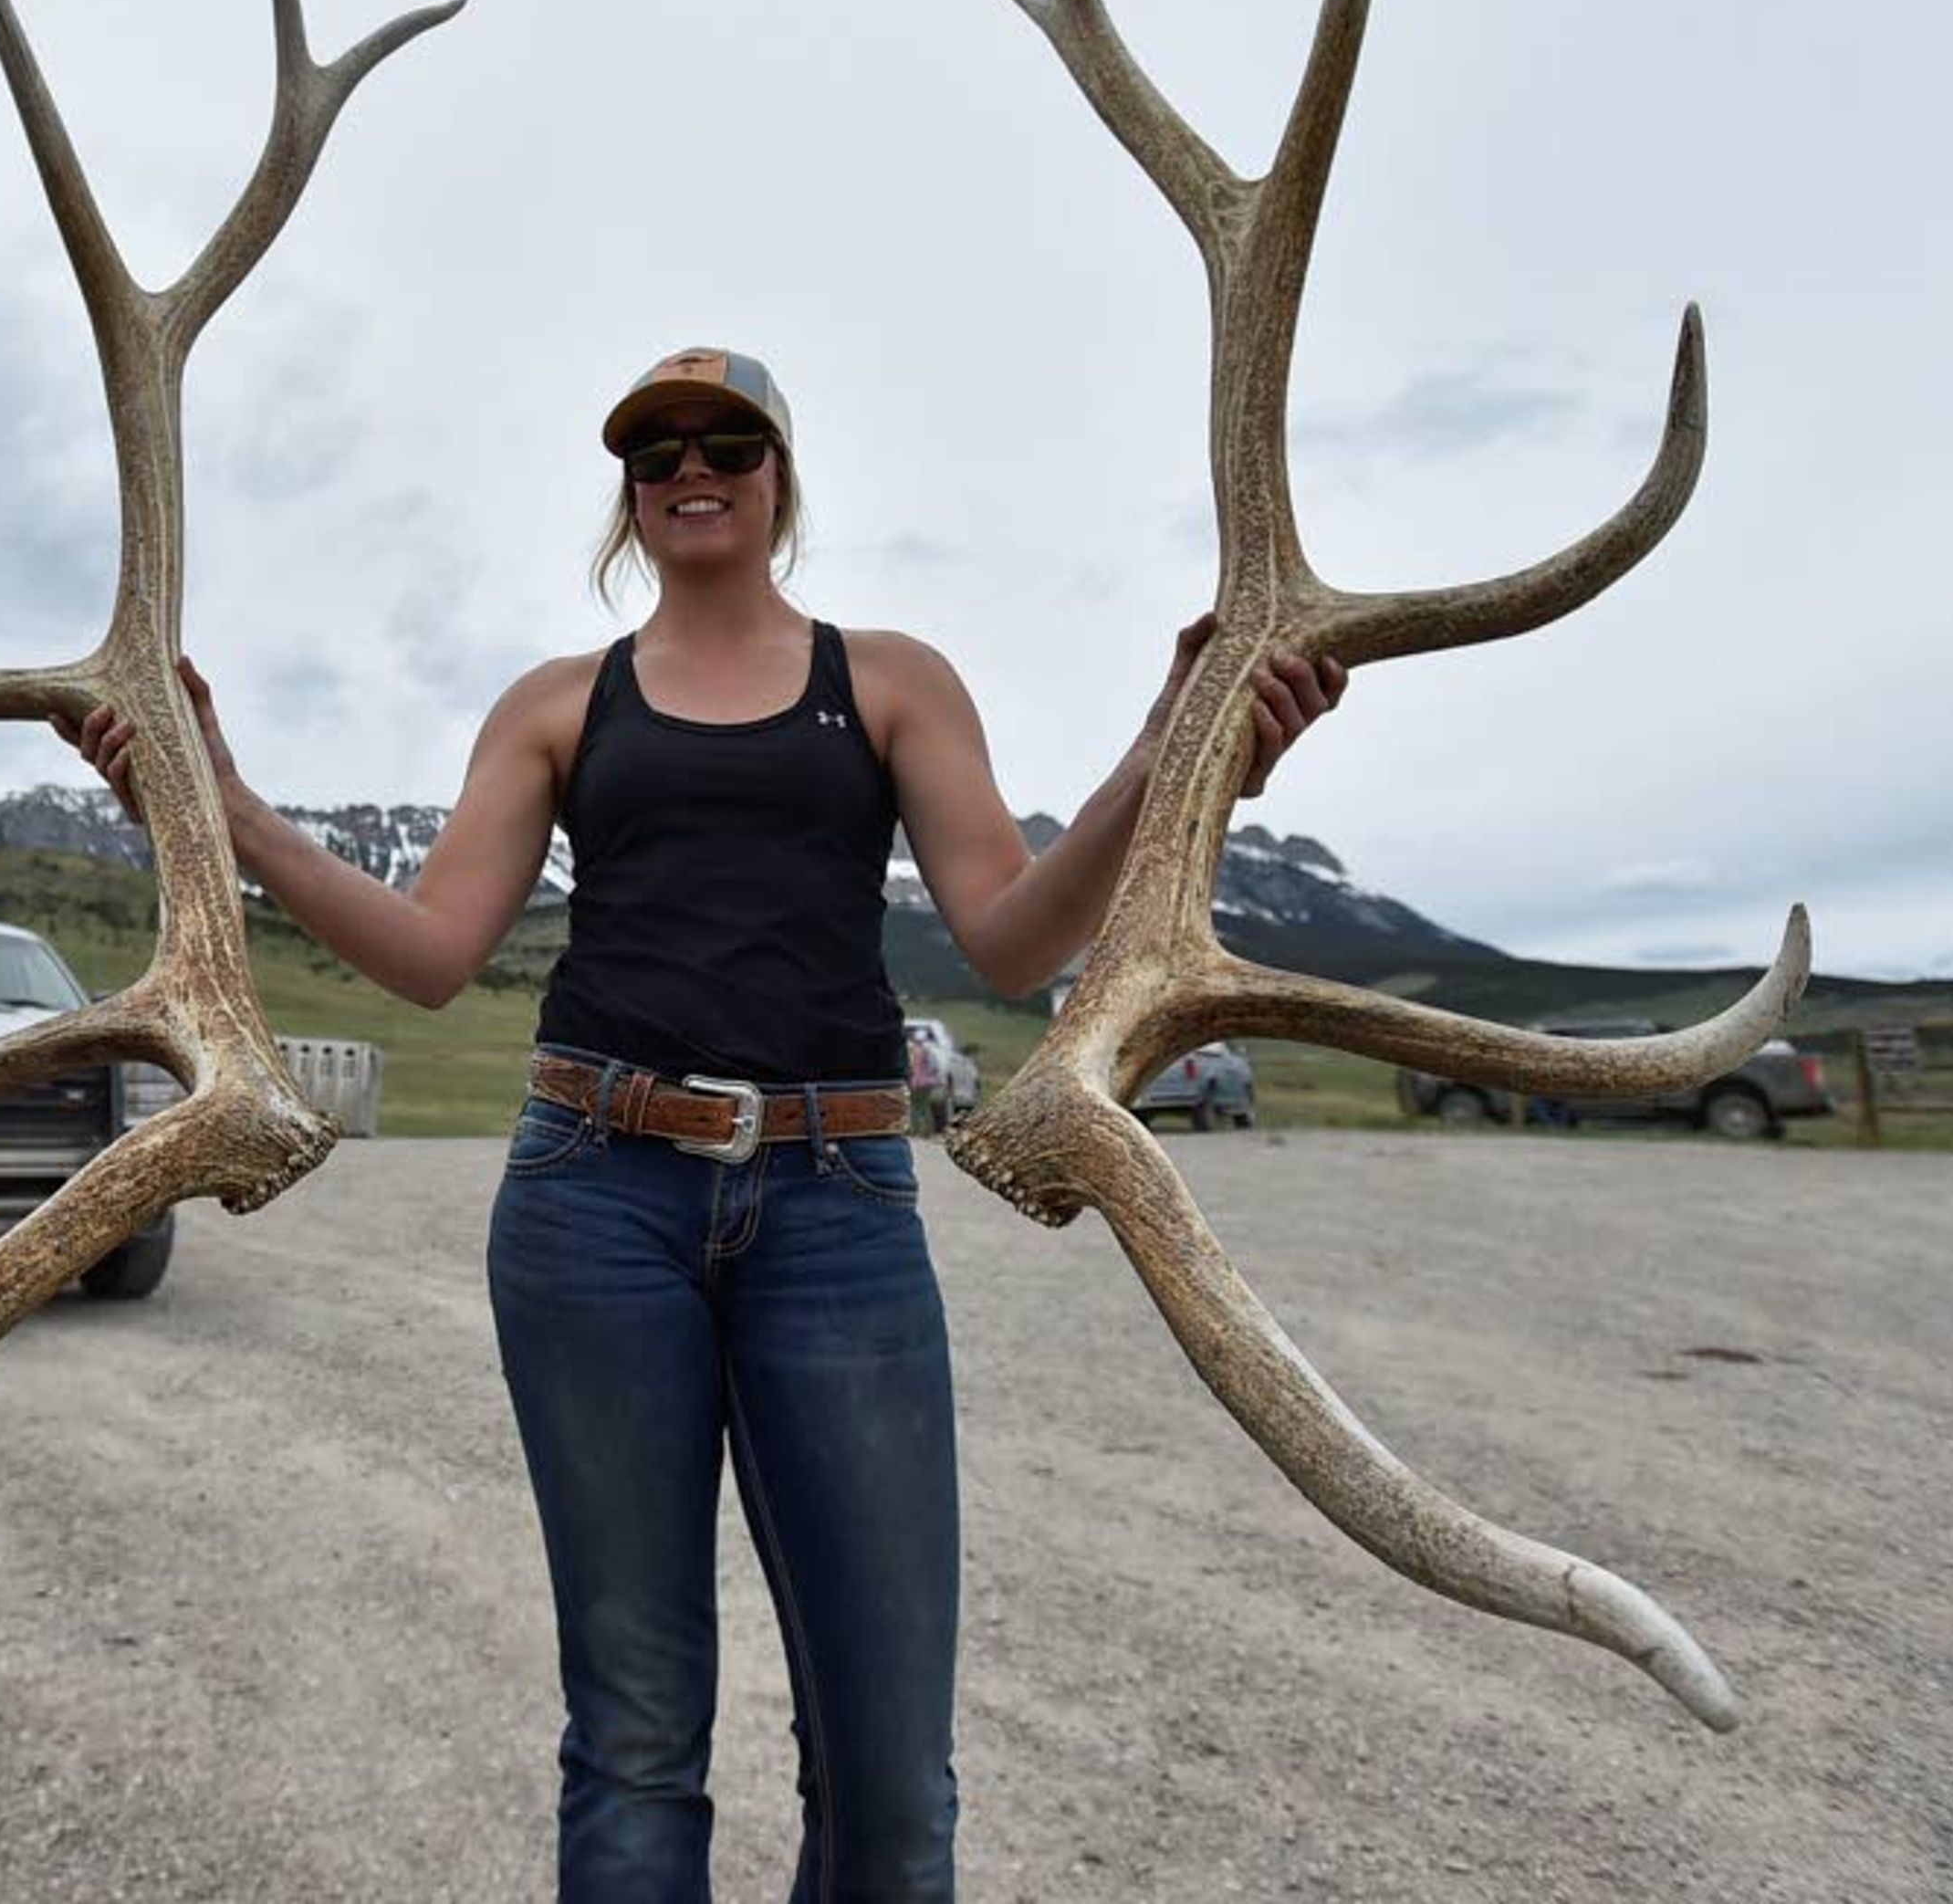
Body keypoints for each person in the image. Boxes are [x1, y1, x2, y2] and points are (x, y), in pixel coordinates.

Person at [65, 349, 1342, 1899]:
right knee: (635, 1737)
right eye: (657, 446)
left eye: (728, 440)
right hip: (592, 1202)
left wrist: (1174, 745)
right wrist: (225, 806)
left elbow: (1013, 938)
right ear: (630, 490)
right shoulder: (555, 706)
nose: (693, 463)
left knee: (890, 1781)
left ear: (778, 475)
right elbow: (429, 953)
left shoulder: (888, 680)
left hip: (838, 1205)